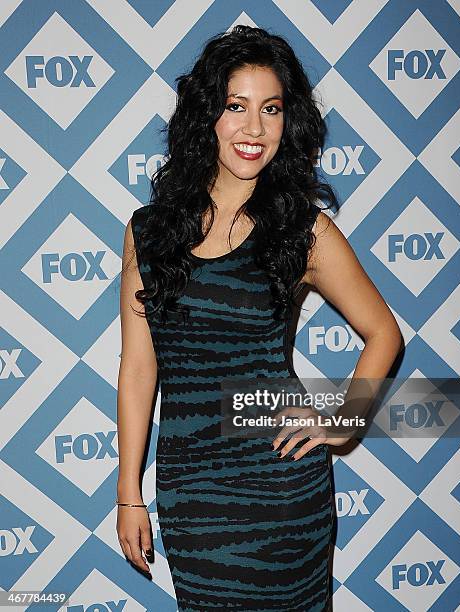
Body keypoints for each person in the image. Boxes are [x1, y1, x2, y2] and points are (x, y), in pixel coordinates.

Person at [115, 25, 402, 612]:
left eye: (270, 109)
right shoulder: (148, 232)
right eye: (236, 106)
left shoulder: (304, 231)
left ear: (287, 121)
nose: (254, 129)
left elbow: (384, 333)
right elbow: (139, 368)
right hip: (190, 492)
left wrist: (345, 419)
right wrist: (128, 494)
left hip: (281, 487)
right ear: (206, 117)